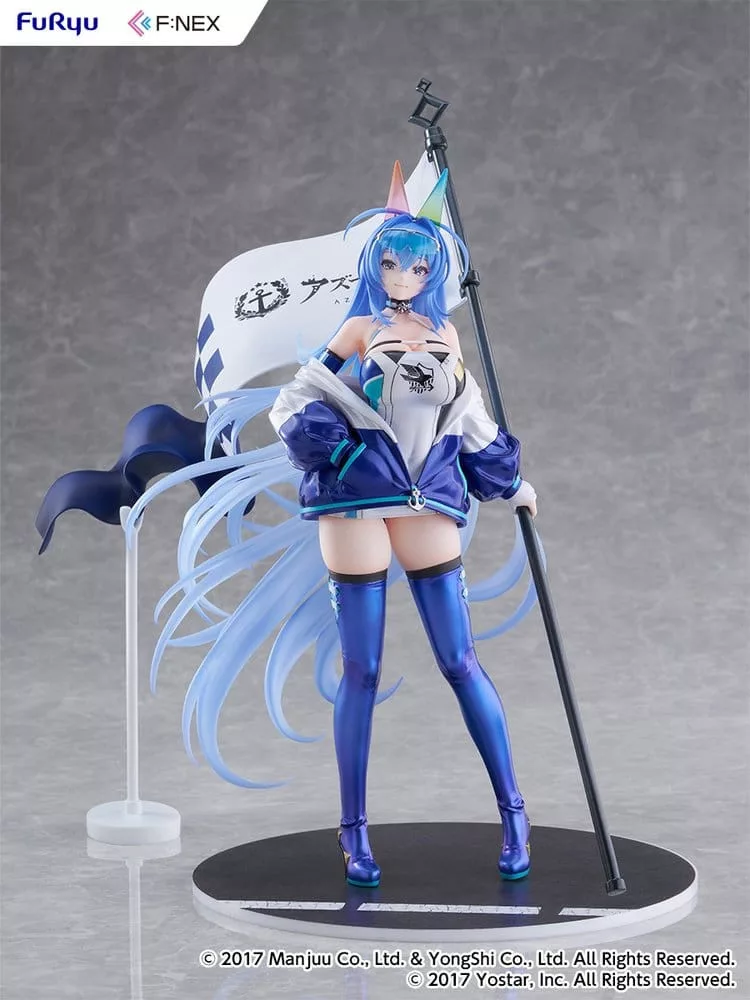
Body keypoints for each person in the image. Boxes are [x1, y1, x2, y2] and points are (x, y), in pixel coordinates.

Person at [267, 163, 537, 886]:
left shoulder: (446, 334)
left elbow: (469, 416)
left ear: (434, 270)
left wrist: (511, 482)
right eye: (390, 263)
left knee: (460, 661)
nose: (402, 276)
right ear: (374, 265)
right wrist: (344, 450)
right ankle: (353, 832)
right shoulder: (359, 329)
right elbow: (294, 402)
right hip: (358, 500)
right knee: (363, 670)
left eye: (417, 266)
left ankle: (514, 813)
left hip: (426, 499)